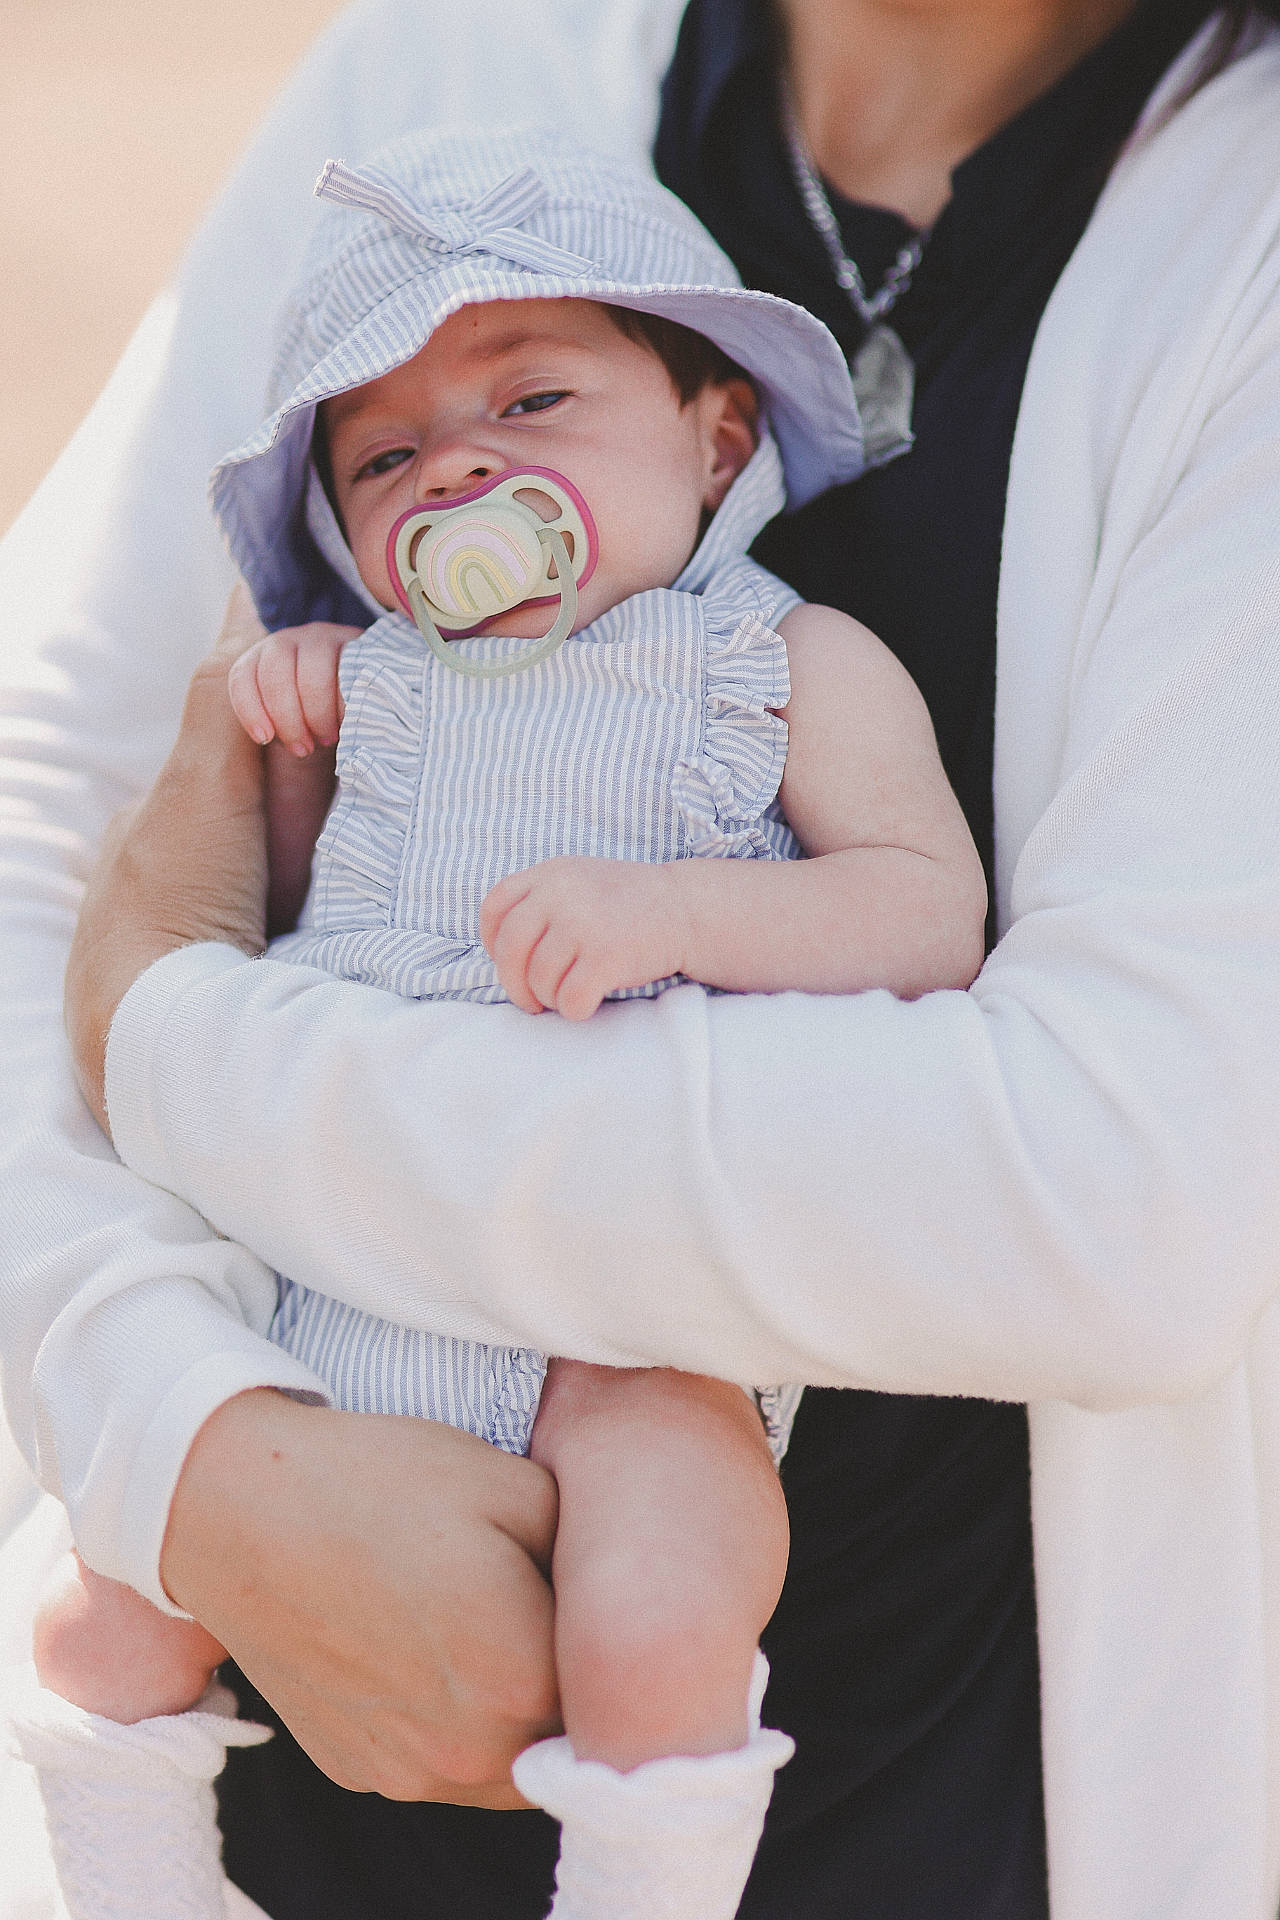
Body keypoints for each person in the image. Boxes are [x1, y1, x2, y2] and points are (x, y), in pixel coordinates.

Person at [3, 1, 1280, 1916]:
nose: (457, 474)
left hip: (921, 1783)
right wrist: (178, 1438)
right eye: (383, 460)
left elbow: (1126, 1188)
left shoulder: (775, 667)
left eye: (531, 406)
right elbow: (60, 801)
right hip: (302, 1668)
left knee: (673, 1565)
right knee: (84, 1611)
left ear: (720, 432)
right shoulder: (442, 72)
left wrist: (183, 1045)